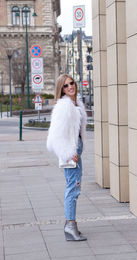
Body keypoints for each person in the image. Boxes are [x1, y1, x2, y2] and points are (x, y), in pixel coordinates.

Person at [47, 74, 87, 241]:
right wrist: (70, 154)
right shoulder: (64, 107)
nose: (71, 87)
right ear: (61, 90)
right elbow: (55, 137)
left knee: (74, 188)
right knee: (72, 189)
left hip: (76, 150)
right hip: (71, 152)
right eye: (66, 86)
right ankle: (70, 226)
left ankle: (72, 225)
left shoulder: (75, 103)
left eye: (72, 83)